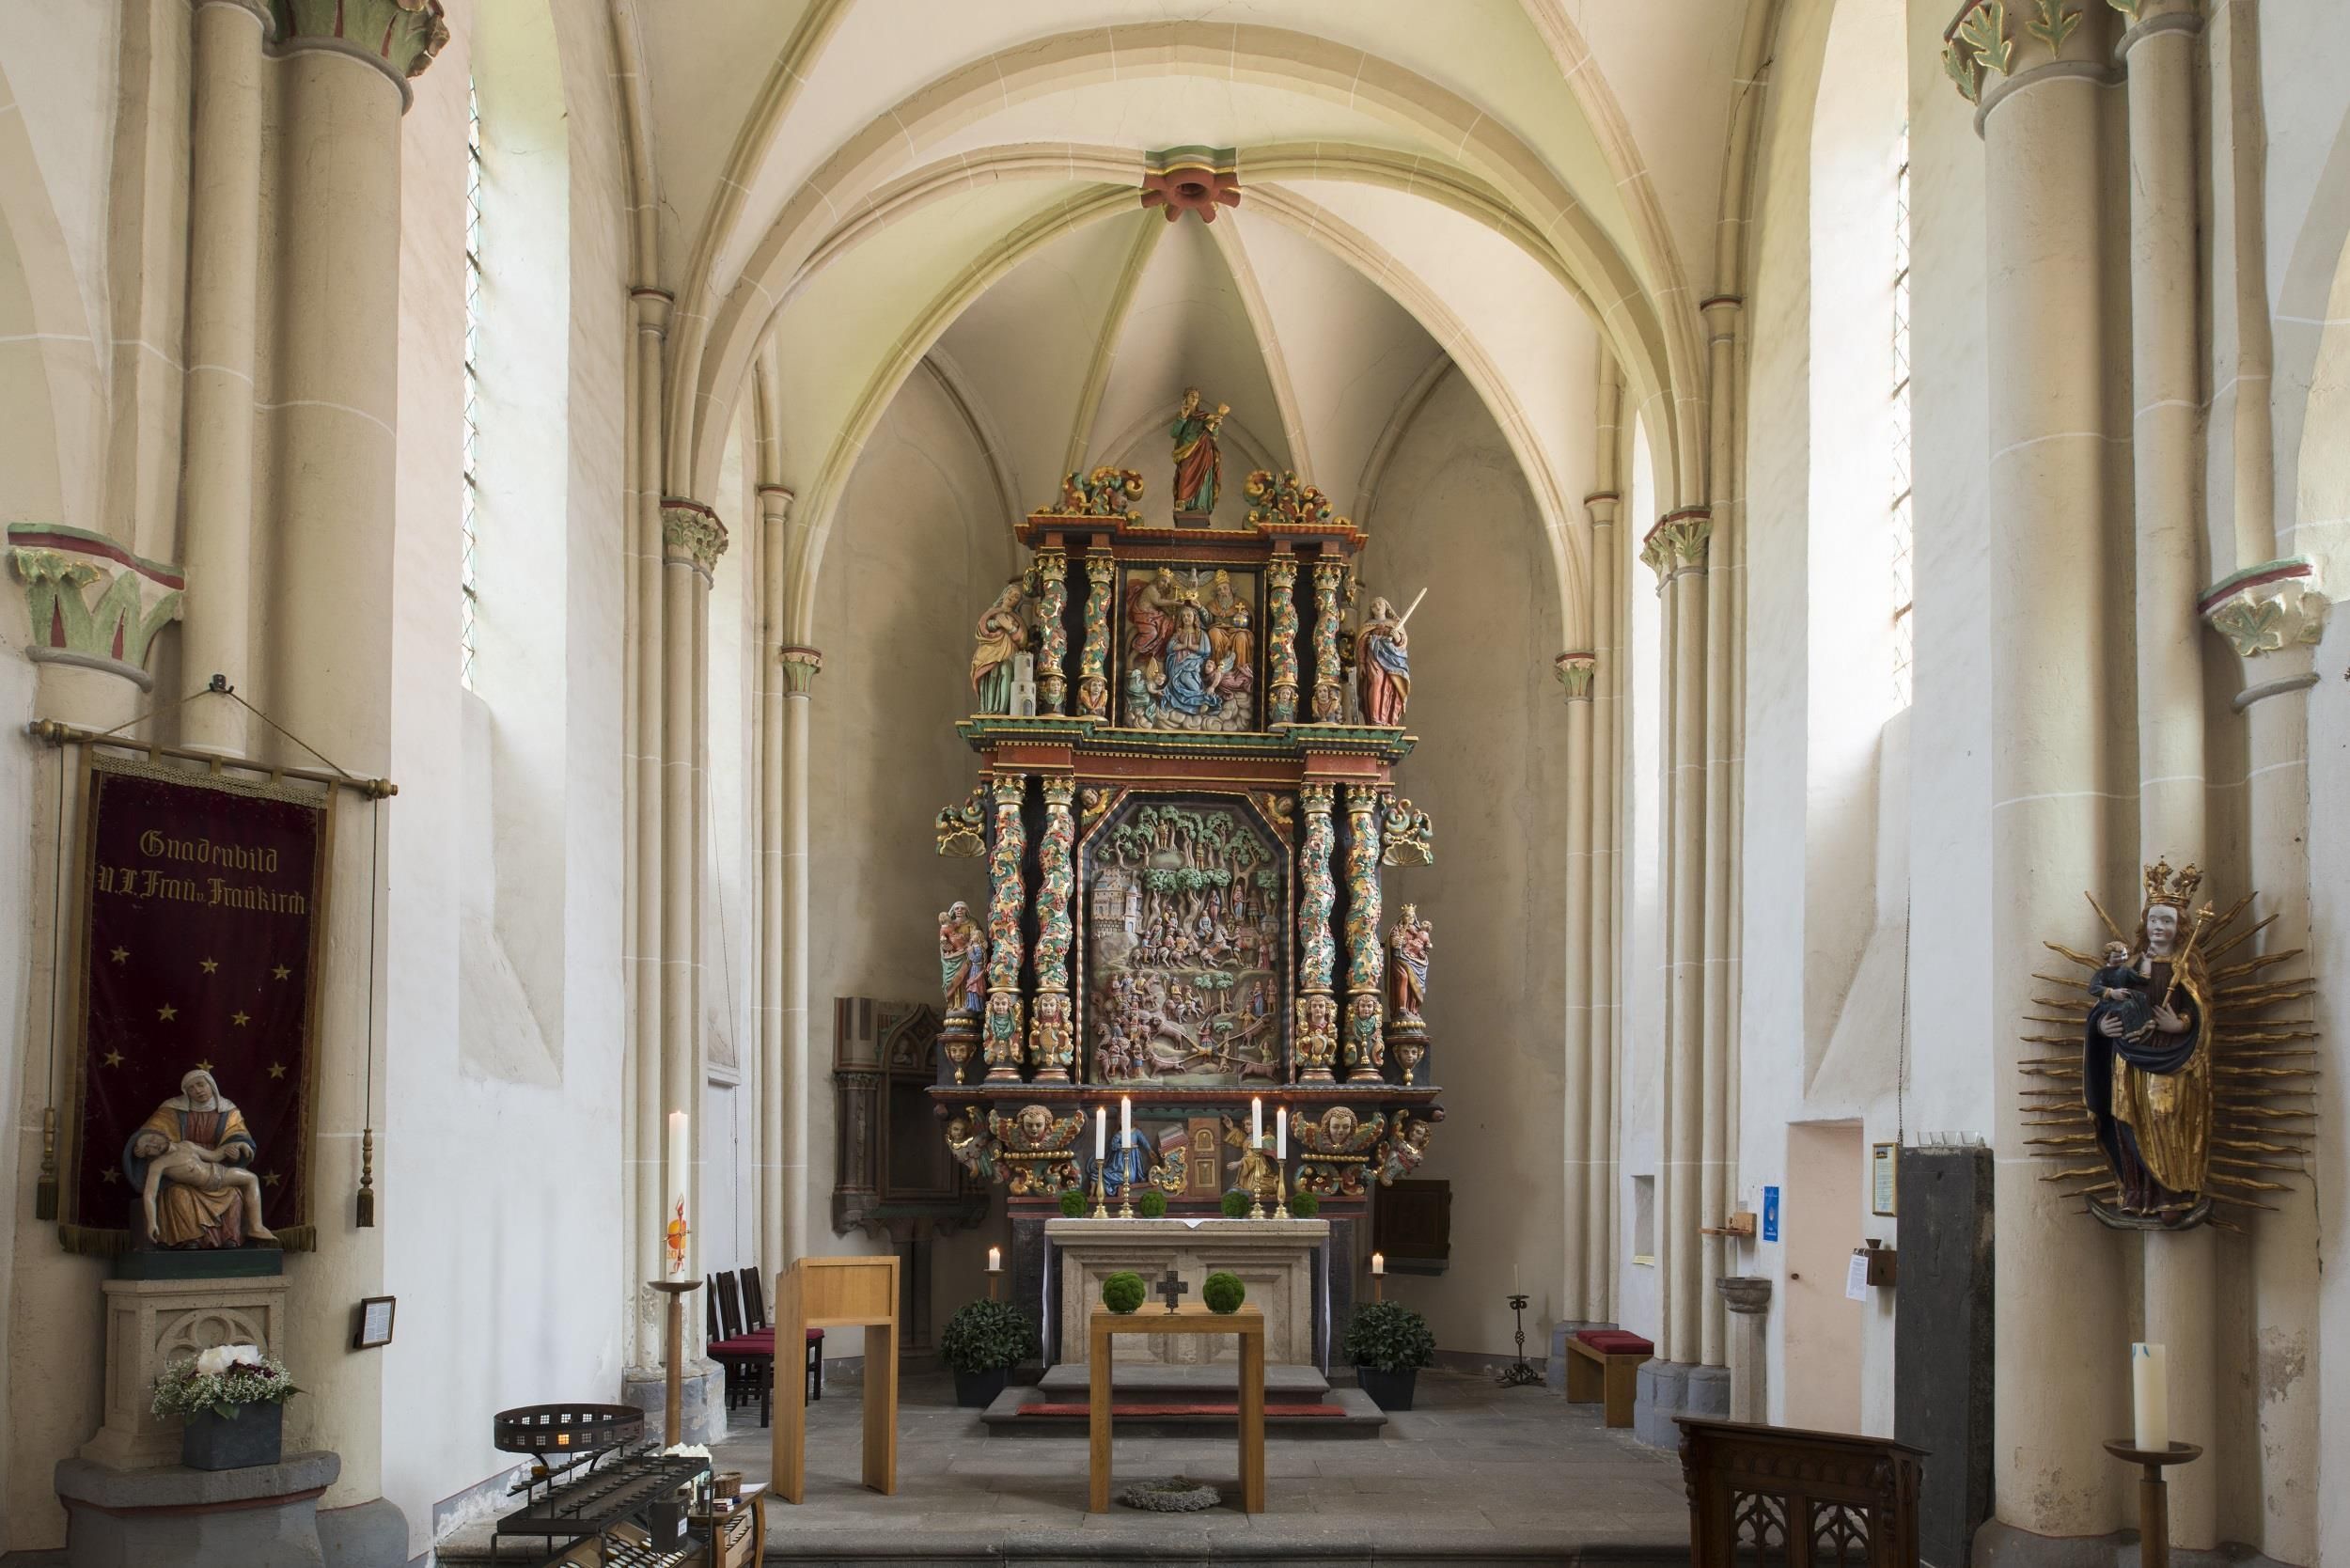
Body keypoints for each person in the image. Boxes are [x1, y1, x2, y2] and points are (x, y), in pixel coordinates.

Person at [123, 1070, 270, 1248]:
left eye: (201, 1084)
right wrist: (152, 1223)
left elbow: (218, 1153)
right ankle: (189, 1239)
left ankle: (238, 1235)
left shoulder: (227, 1111)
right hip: (182, 1182)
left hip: (216, 1168)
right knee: (178, 1195)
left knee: (237, 1192)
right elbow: (150, 1134)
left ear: (211, 1085)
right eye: (191, 1088)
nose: (198, 1090)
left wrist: (237, 1148)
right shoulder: (171, 1110)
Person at [969, 580, 1027, 713]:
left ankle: (1001, 709)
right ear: (1004, 594)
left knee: (1006, 671)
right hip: (989, 650)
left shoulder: (1016, 618)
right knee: (990, 675)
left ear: (1018, 602)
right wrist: (996, 623)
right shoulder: (992, 612)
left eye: (1016, 596)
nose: (1012, 597)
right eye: (1010, 593)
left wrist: (1010, 628)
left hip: (1008, 652)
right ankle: (988, 708)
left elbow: (1022, 640)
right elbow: (982, 628)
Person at [1169, 388, 1229, 513]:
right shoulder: (1182, 416)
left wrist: (1216, 425)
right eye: (1192, 395)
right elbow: (1174, 433)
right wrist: (1183, 417)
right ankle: (1183, 502)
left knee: (1203, 476)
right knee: (1185, 474)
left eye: (1196, 396)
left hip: (1203, 451)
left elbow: (1214, 435)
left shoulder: (1205, 417)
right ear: (1185, 398)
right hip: (1186, 452)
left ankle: (1200, 504)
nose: (1194, 398)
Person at [1355, 595, 1411, 726]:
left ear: (1386, 607)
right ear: (1371, 610)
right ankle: (1375, 719)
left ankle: (1387, 719)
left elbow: (1402, 645)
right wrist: (1361, 663)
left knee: (1390, 687)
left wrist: (1397, 637)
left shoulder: (1395, 624)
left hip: (1392, 662)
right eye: (1374, 605)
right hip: (1373, 659)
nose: (1377, 606)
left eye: (1380, 603)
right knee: (1376, 682)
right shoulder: (1368, 626)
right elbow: (1362, 645)